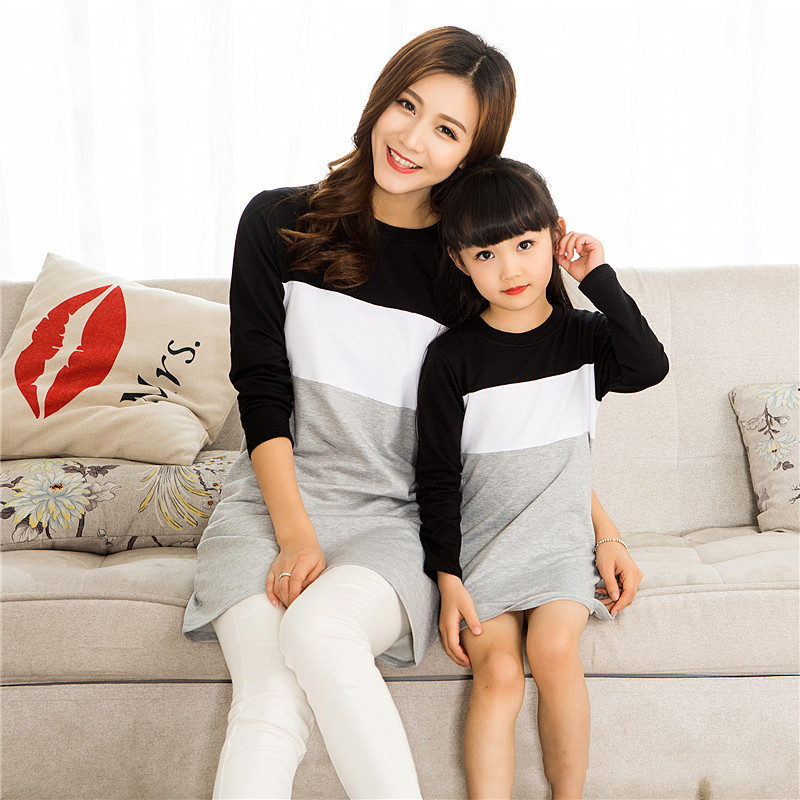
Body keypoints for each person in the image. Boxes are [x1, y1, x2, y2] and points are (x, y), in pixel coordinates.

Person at [182, 27, 517, 800]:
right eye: (407, 105)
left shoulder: (472, 267)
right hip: (268, 509)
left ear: (471, 155)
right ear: (380, 99)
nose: (412, 138)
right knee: (268, 703)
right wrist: (294, 533)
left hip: (395, 520)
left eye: (447, 130)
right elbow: (261, 389)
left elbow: (522, 405)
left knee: (321, 629)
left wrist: (600, 529)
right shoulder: (275, 223)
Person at [415, 157, 668, 800]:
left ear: (555, 237)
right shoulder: (450, 357)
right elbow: (436, 475)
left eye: (526, 246)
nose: (511, 270)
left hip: (559, 546)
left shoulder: (584, 340)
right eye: (486, 254)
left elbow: (650, 366)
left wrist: (596, 278)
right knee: (499, 671)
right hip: (483, 552)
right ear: (459, 260)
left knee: (554, 653)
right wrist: (447, 576)